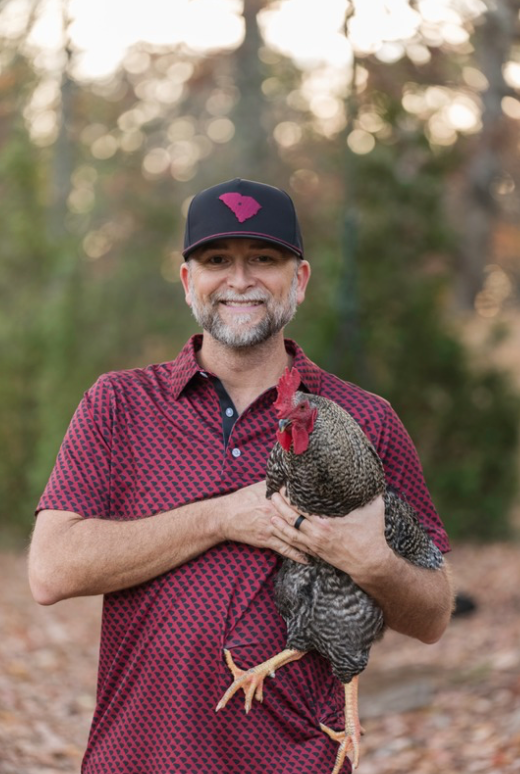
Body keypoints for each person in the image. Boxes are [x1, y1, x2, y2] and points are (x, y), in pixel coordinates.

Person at [29, 178, 453, 774]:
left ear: (299, 280)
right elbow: (51, 570)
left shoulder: (366, 420)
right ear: (187, 282)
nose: (239, 279)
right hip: (140, 756)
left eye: (264, 259)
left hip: (296, 762)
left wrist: (371, 560)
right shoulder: (119, 403)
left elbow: (434, 616)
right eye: (216, 260)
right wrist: (222, 516)